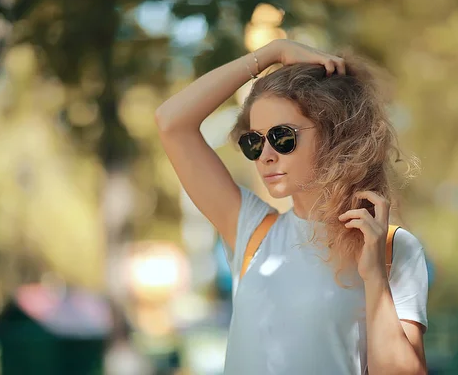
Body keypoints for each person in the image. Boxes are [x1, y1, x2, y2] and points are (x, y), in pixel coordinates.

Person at [156, 39, 428, 375]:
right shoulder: (252, 229)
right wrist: (271, 53)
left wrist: (374, 275)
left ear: (334, 133)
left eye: (283, 137)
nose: (267, 155)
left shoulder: (391, 248)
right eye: (254, 142)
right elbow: (171, 123)